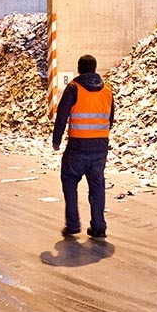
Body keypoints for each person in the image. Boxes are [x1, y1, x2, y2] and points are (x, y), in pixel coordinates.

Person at [52, 54, 113, 239]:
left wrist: (56, 141)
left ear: (79, 69)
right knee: (97, 185)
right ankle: (99, 227)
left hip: (77, 146)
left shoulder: (73, 88)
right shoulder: (108, 90)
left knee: (69, 181)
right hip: (100, 147)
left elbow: (62, 116)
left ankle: (73, 224)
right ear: (95, 69)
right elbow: (111, 119)